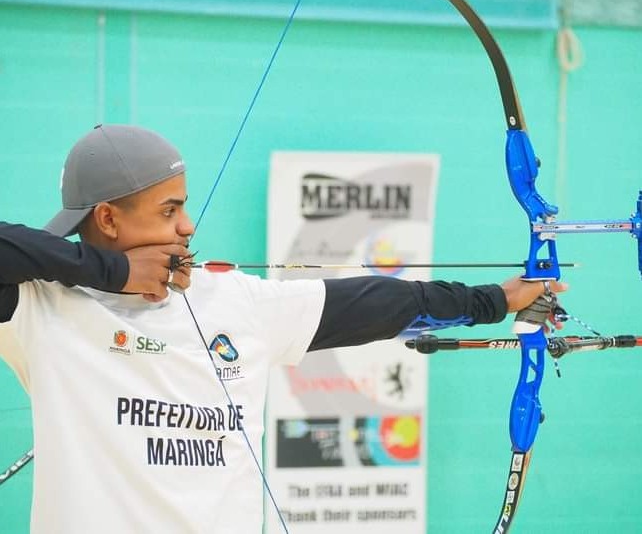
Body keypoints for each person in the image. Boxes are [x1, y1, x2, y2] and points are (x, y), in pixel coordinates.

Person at [0, 125, 566, 533]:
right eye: (169, 210)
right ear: (106, 219)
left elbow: (375, 301)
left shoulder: (232, 299)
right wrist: (112, 272)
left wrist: (495, 299)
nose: (188, 225)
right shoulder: (40, 308)